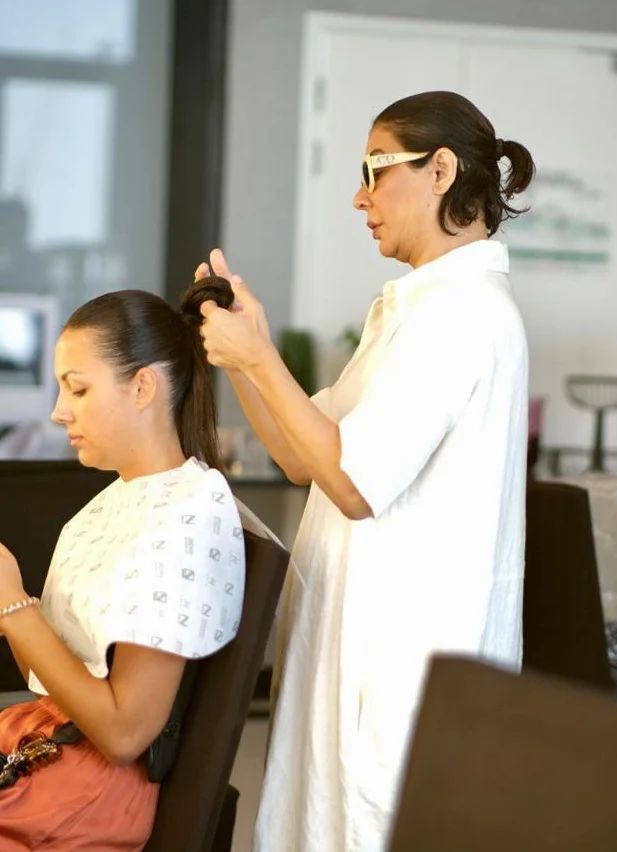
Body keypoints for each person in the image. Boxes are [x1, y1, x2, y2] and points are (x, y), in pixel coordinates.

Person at [196, 90, 535, 852]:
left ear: (440, 169)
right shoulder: (410, 311)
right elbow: (299, 454)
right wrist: (245, 359)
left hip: (403, 673)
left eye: (375, 170)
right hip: (350, 658)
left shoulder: (464, 316)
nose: (359, 196)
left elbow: (351, 485)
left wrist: (258, 357)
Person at [0, 282, 245, 851]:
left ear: (142, 386)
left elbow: (124, 731)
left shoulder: (188, 512)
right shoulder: (123, 498)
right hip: (51, 746)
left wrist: (14, 607)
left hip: (88, 790)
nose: (60, 412)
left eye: (78, 390)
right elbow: (50, 670)